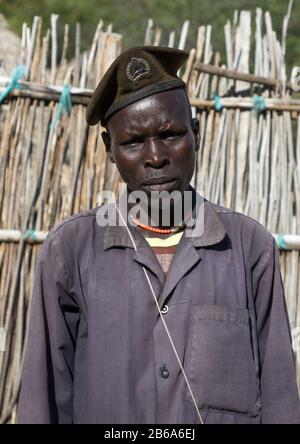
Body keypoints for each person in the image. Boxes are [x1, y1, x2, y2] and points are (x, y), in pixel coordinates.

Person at [17, 46, 300, 424]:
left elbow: (280, 399)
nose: (155, 156)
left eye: (171, 134)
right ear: (109, 149)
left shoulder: (249, 249)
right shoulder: (69, 252)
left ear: (196, 134)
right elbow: (43, 402)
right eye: (133, 142)